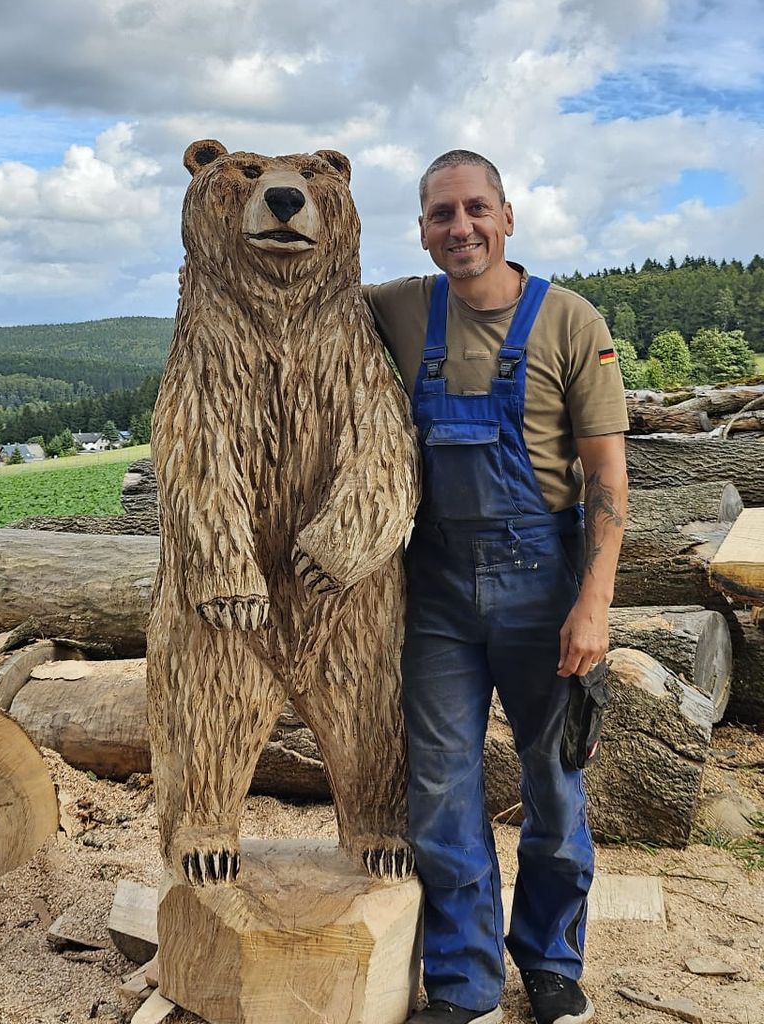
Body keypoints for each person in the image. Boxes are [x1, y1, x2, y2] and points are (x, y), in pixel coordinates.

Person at [363, 150, 629, 1024]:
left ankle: (550, 962)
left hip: (542, 586)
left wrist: (593, 604)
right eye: (442, 214)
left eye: (477, 208)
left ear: (508, 215)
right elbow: (299, 308)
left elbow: (607, 482)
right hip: (433, 588)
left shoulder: (568, 321)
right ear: (423, 229)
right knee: (442, 788)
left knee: (553, 783)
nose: (461, 228)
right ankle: (466, 982)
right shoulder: (400, 308)